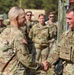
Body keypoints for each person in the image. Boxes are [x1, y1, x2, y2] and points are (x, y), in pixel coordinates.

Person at [0, 6, 50, 75]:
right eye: (23, 17)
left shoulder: (4, 32)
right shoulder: (18, 35)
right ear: (17, 18)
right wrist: (41, 65)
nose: (25, 19)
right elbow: (25, 59)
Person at [47, 7, 74, 75]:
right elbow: (58, 50)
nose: (67, 21)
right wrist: (48, 62)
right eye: (67, 18)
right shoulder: (66, 34)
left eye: (70, 19)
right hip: (65, 70)